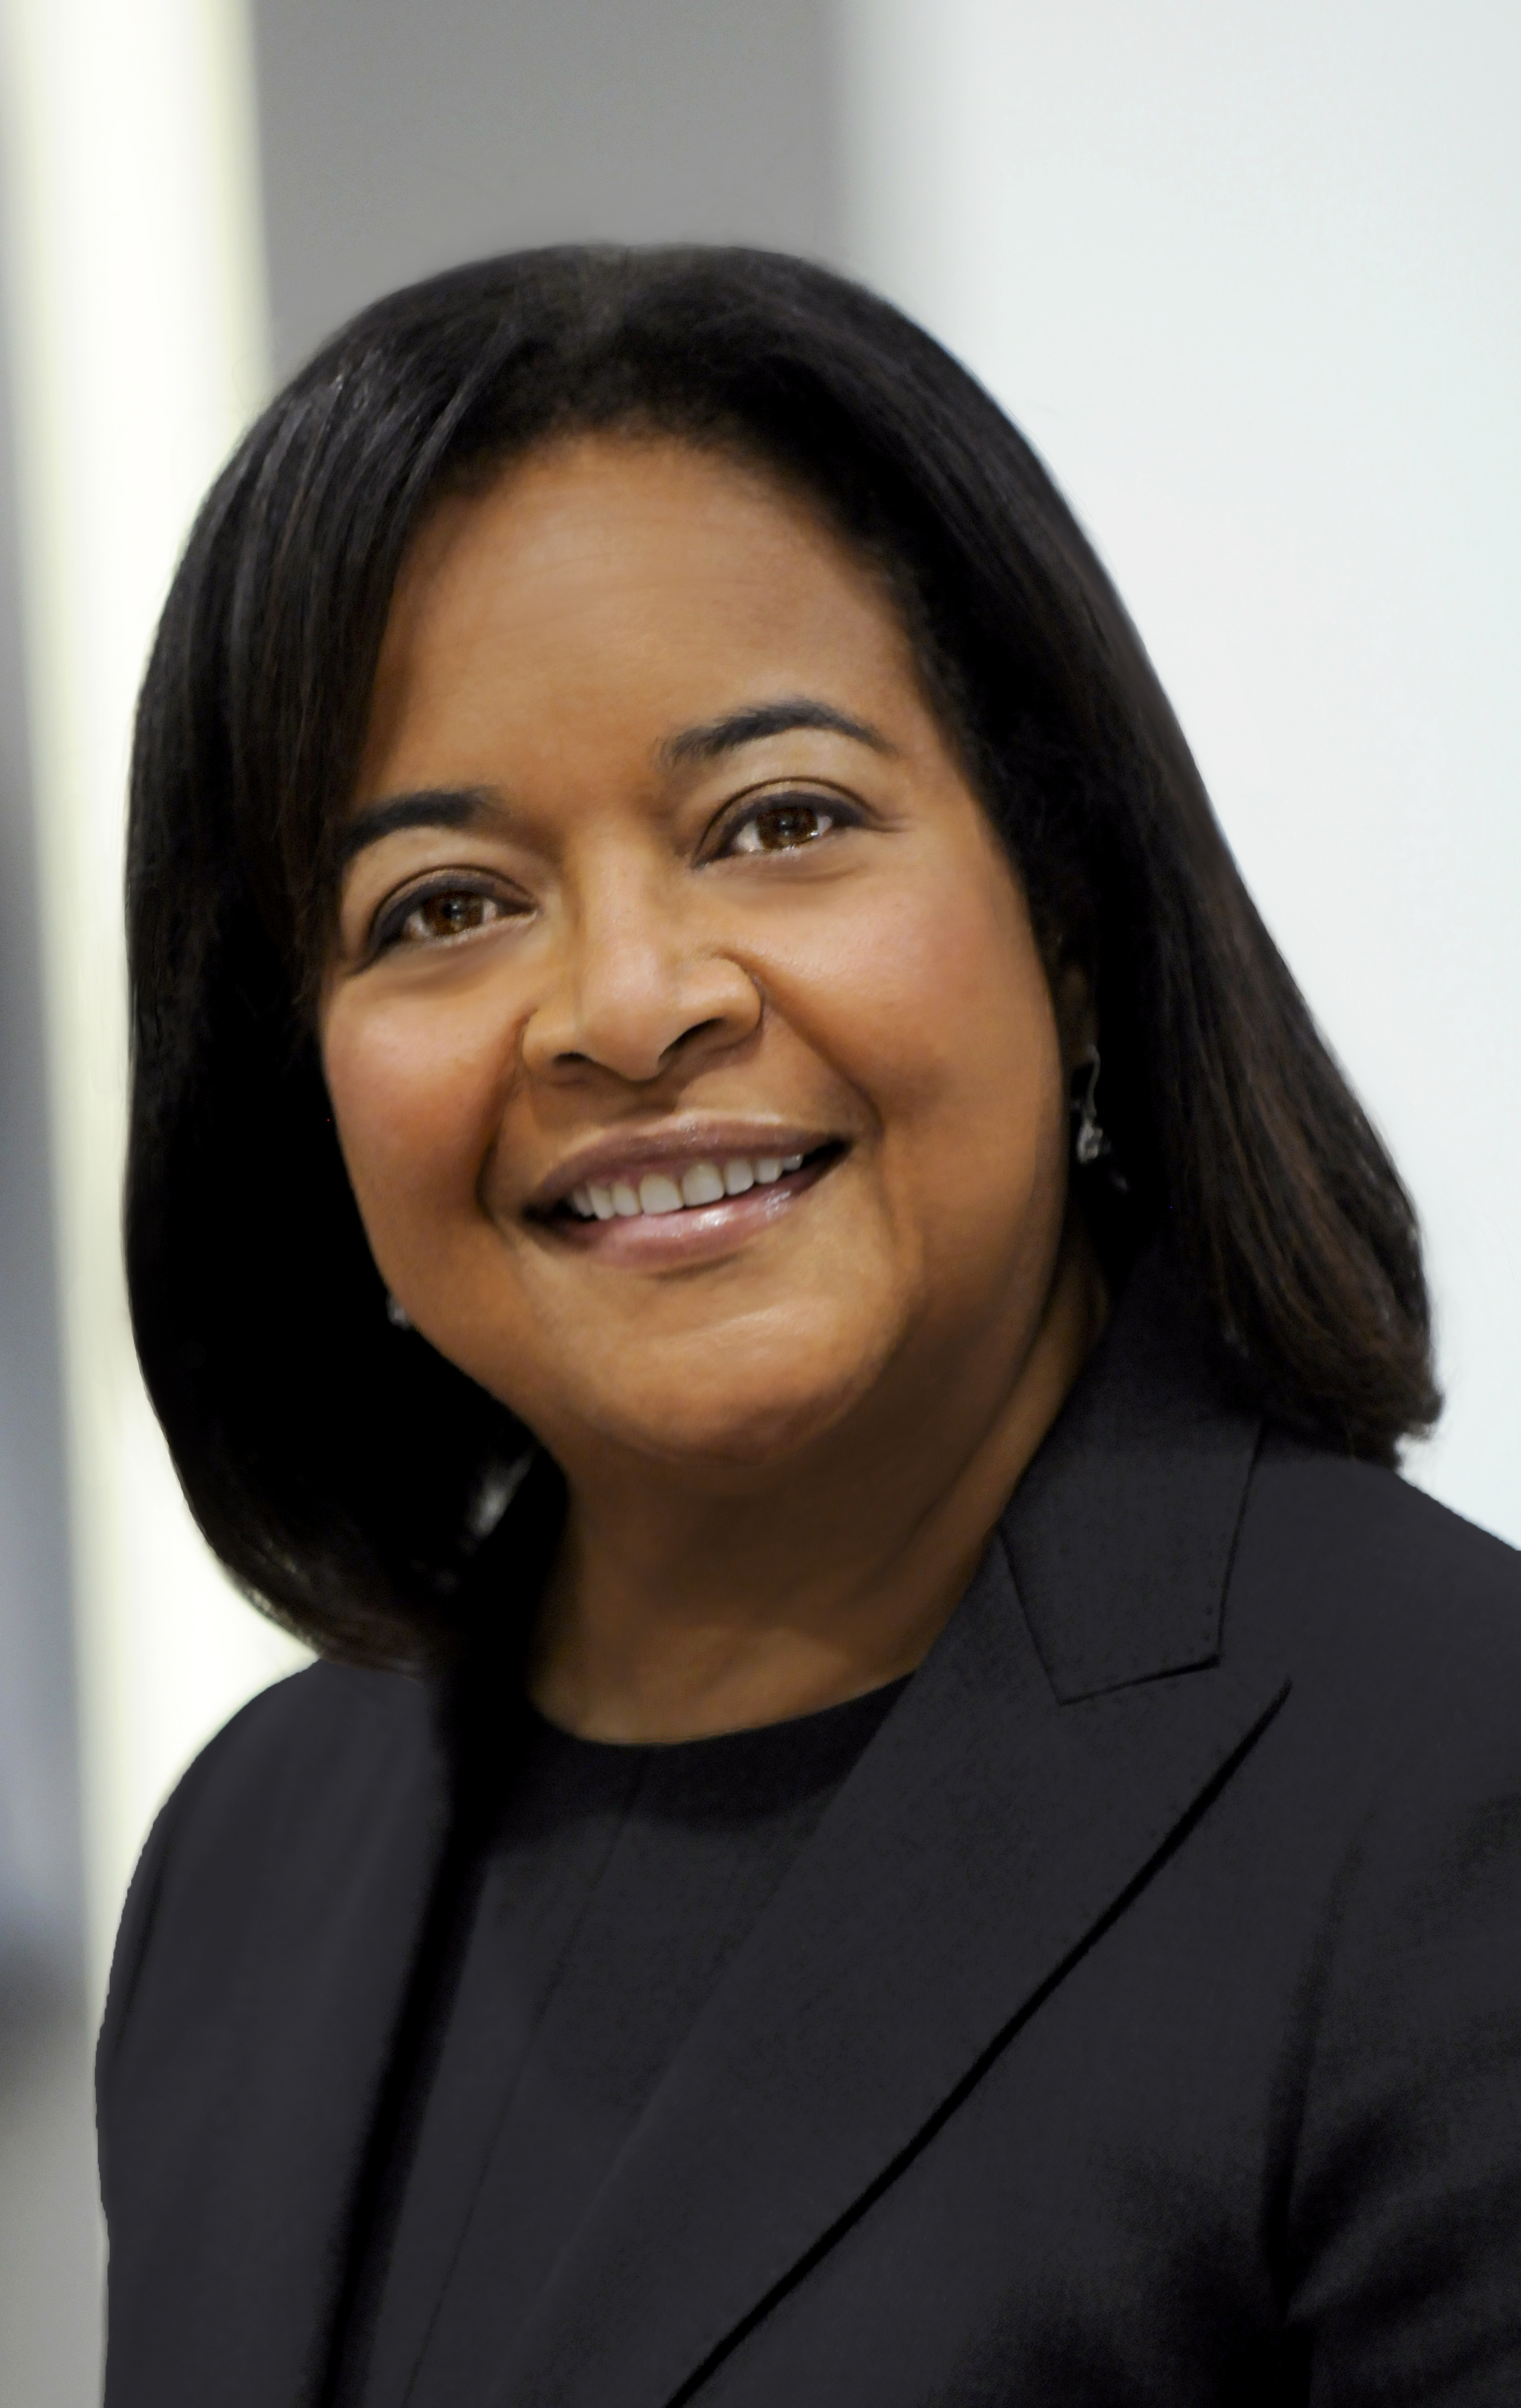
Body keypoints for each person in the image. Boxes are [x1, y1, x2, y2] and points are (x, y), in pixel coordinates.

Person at [99, 247, 1521, 2407]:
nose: (627, 1003)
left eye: (779, 822)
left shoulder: (1455, 1785)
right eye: (443, 907)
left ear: (1063, 911)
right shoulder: (247, 1862)